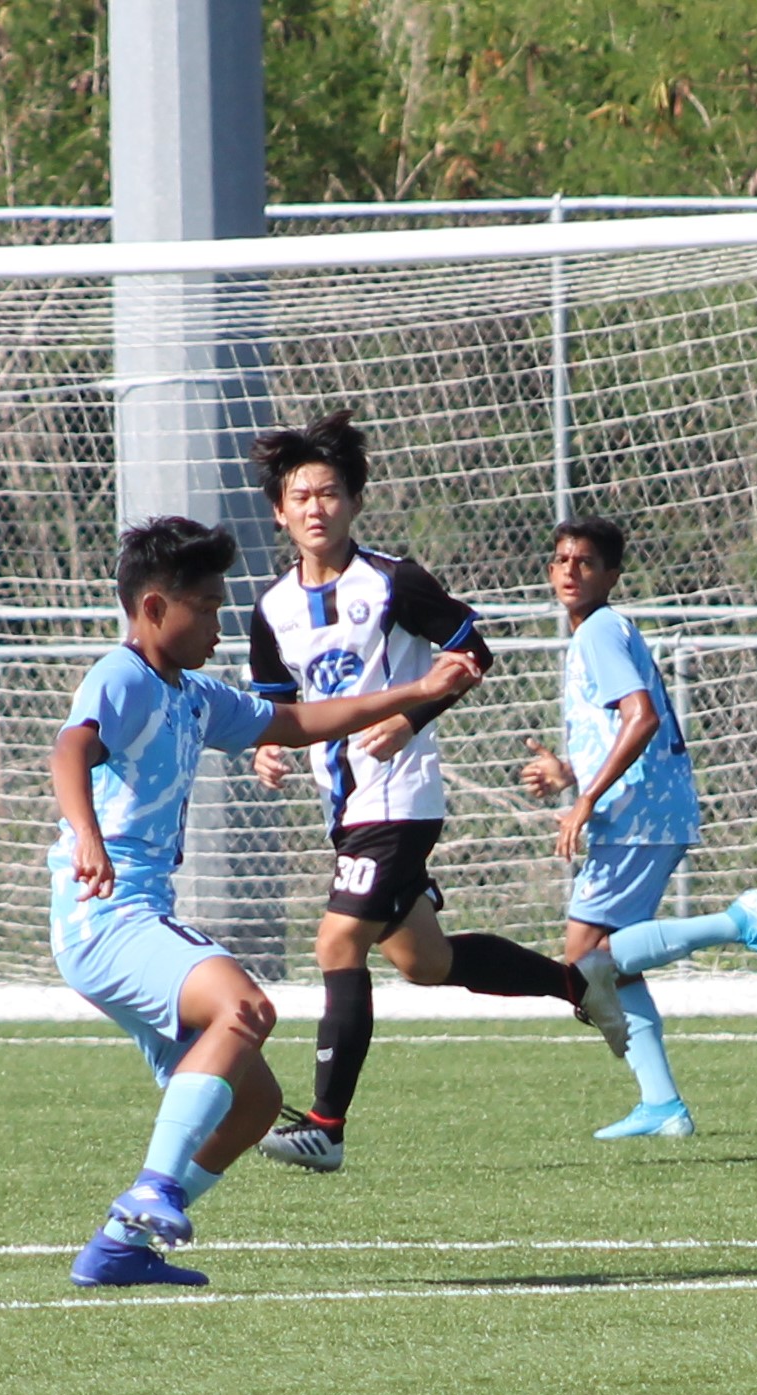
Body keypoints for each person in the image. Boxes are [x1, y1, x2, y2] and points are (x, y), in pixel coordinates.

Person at [54, 515, 482, 1288]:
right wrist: (85, 833)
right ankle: (152, 1187)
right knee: (244, 1007)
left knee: (254, 1104)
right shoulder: (120, 676)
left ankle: (120, 1246)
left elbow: (294, 720)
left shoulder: (190, 694)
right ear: (154, 609)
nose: (222, 625)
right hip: (106, 913)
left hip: (132, 916)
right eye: (209, 608)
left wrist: (414, 691)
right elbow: (71, 747)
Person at [244, 411, 625, 1175]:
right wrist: (266, 748)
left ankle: (326, 1126)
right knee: (424, 960)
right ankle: (576, 982)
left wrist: (410, 718)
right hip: (345, 808)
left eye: (329, 492)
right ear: (280, 512)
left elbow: (472, 650)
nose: (315, 507)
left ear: (354, 501)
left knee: (335, 942)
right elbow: (281, 705)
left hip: (401, 798)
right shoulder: (270, 609)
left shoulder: (392, 581)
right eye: (300, 495)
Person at [519, 514, 757, 1138]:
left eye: (587, 562)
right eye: (563, 559)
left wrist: (586, 799)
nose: (572, 570)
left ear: (611, 576)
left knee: (583, 963)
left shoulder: (598, 630)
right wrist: (570, 773)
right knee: (611, 969)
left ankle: (737, 922)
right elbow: (626, 729)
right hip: (648, 809)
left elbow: (642, 718)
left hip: (635, 816)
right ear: (550, 570)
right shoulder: (605, 631)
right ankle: (663, 1107)